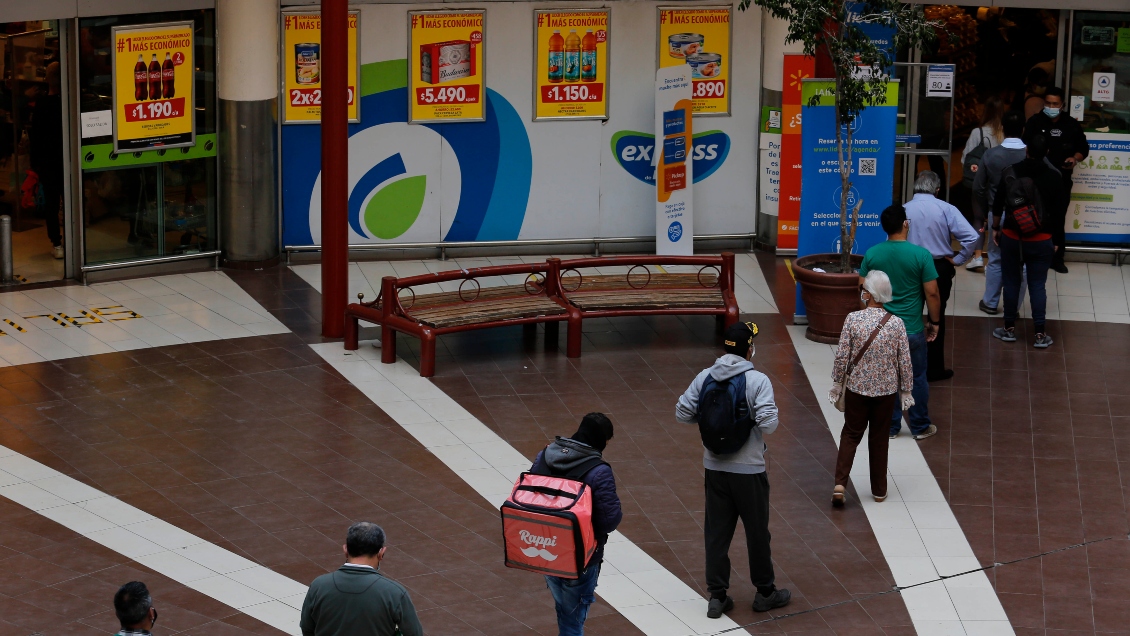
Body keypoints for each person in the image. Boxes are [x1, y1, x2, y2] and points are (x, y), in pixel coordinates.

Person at [675, 321, 791, 618]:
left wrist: (710, 423)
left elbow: (682, 412)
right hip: (749, 471)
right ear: (749, 349)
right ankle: (765, 592)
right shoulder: (758, 381)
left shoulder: (704, 377)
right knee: (756, 533)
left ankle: (717, 596)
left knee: (716, 534)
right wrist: (749, 422)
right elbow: (770, 424)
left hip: (714, 469)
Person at [529, 413, 622, 636]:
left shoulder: (545, 455)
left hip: (547, 546)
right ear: (601, 439)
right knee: (573, 620)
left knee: (564, 609)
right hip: (581, 555)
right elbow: (610, 520)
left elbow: (532, 494)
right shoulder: (599, 471)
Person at [828, 271, 914, 506]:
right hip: (885, 393)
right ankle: (879, 490)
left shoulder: (853, 320)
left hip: (857, 390)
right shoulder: (896, 324)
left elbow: (842, 357)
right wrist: (906, 390)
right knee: (878, 439)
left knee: (851, 434)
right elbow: (904, 361)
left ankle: (839, 484)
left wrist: (837, 383)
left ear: (868, 294)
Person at [859, 205, 941, 441]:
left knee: (887, 377)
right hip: (912, 330)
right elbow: (932, 293)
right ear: (906, 224)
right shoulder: (921, 255)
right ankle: (919, 426)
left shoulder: (873, 254)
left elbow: (862, 289)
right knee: (916, 377)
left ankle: (891, 427)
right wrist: (934, 322)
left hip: (882, 329)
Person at [905, 170, 979, 382]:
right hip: (938, 266)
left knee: (910, 315)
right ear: (937, 190)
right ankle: (934, 369)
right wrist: (958, 259)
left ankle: (907, 366)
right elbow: (972, 237)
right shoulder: (946, 208)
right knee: (937, 316)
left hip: (910, 266)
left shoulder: (904, 209)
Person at [991, 133, 1064, 349]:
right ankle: (1040, 334)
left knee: (1012, 282)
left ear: (1026, 150)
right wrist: (1057, 240)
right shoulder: (1054, 177)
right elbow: (1060, 214)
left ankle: (1008, 329)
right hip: (1042, 239)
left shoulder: (1010, 173)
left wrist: (996, 228)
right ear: (1047, 152)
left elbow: (998, 205)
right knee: (1037, 285)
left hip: (1013, 237)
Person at [300, 522, 422, 636]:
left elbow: (307, 628)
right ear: (381, 553)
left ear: (345, 550)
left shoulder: (319, 585)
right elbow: (414, 633)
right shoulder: (394, 593)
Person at [1024, 86, 1090, 273]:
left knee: (1058, 218)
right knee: (1033, 216)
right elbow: (1024, 145)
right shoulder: (1035, 122)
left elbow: (1083, 147)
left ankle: (1057, 257)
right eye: (1048, 103)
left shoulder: (1071, 124)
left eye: (1055, 104)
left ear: (1062, 105)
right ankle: (1032, 256)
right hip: (1035, 180)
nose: (1051, 106)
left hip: (1061, 180)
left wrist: (1074, 158)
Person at [973, 111, 1029, 316]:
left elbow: (978, 187)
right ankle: (1012, 307)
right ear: (1023, 129)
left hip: (996, 215)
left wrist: (986, 212)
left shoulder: (991, 155)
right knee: (1022, 262)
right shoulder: (1029, 155)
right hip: (1025, 217)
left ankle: (990, 302)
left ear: (1002, 129)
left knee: (995, 258)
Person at [959, 95, 1005, 271]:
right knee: (997, 220)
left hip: (979, 184)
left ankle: (978, 256)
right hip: (999, 185)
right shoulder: (1005, 134)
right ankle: (995, 259)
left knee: (978, 220)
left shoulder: (977, 133)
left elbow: (965, 159)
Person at [28, 61, 64, 259]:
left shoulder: (41, 105)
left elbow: (36, 138)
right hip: (67, 160)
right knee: (70, 201)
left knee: (51, 203)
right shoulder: (69, 102)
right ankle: (73, 239)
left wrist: (36, 164)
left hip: (48, 162)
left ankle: (57, 243)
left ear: (47, 79)